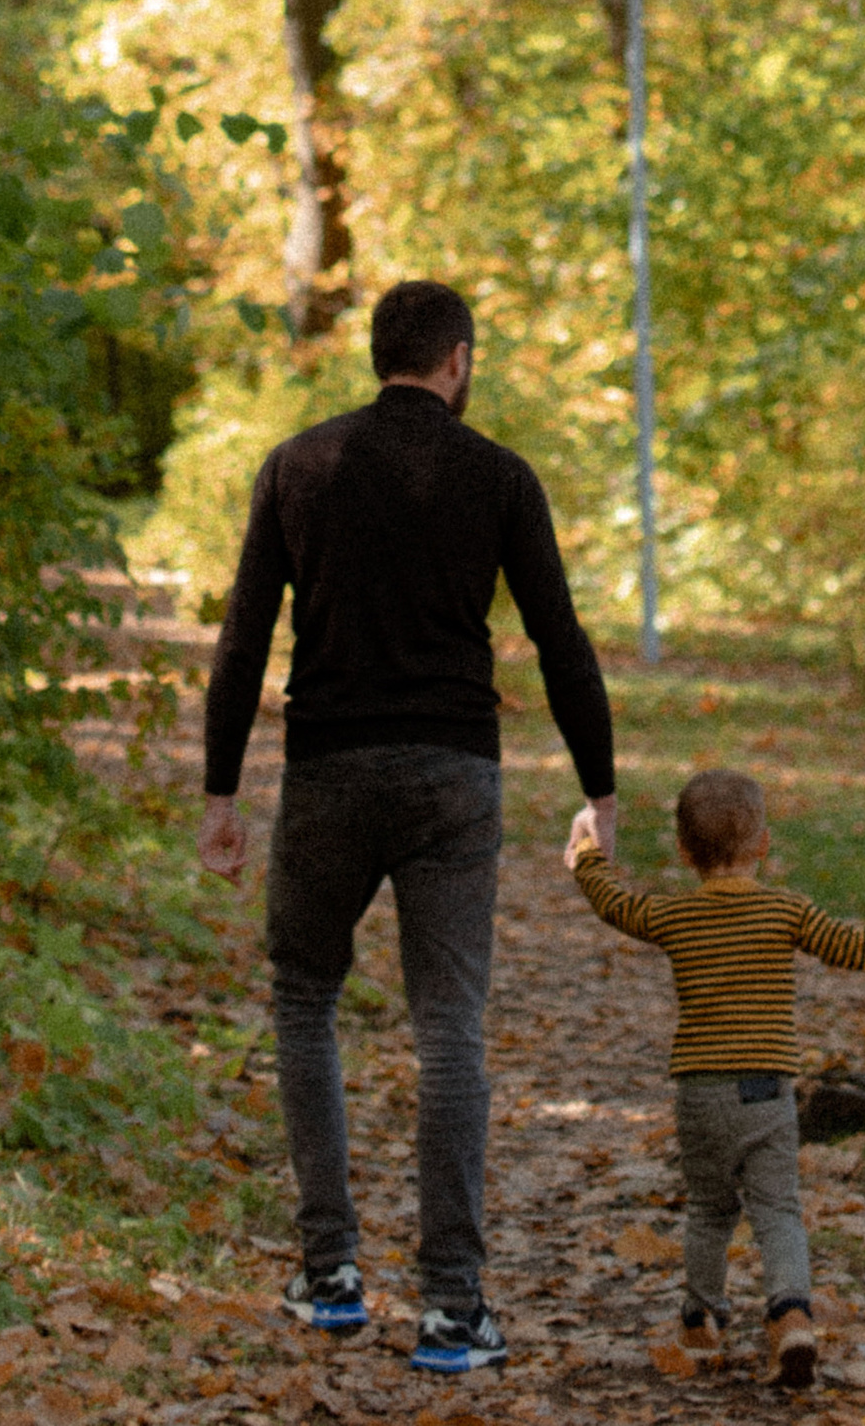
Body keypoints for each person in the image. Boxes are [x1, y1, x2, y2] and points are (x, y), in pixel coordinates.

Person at [198, 277, 616, 1374]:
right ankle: (450, 1307)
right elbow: (561, 640)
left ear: (378, 355)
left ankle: (329, 1273)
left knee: (303, 997)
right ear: (458, 360)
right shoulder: (498, 478)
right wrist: (600, 785)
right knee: (449, 1028)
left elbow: (244, 641)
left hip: (326, 768)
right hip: (450, 777)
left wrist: (220, 791)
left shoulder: (297, 467)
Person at [565, 766, 865, 1391]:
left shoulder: (675, 915)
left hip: (700, 1094)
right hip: (768, 1093)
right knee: (778, 1210)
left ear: (685, 852)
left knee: (709, 1210)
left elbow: (616, 905)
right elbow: (858, 948)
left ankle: (699, 1321)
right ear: (764, 844)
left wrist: (586, 853)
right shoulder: (785, 910)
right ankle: (791, 1316)